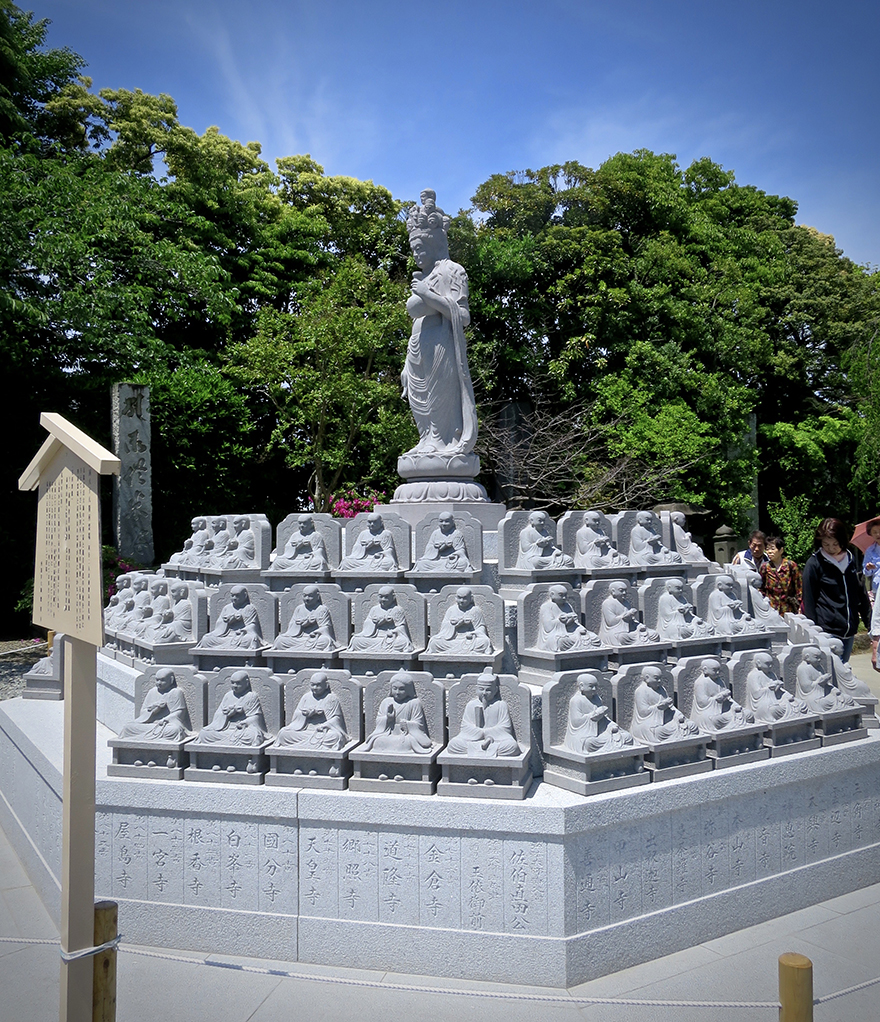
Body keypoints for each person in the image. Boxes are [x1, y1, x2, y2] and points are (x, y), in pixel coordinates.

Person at [401, 190, 477, 457]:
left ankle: (441, 440)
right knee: (419, 401)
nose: (416, 255)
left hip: (441, 347)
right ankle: (426, 439)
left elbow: (463, 316)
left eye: (421, 249)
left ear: (434, 244)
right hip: (418, 347)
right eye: (413, 250)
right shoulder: (424, 276)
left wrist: (428, 295)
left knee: (438, 398)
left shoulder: (452, 271)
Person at [802, 518, 871, 663]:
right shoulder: (814, 563)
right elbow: (809, 600)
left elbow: (860, 593)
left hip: (849, 630)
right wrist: (814, 631)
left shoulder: (851, 559)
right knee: (831, 671)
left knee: (844, 670)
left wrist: (869, 623)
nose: (831, 548)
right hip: (827, 631)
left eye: (835, 544)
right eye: (826, 544)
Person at [445, 670, 521, 757]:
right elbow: (465, 727)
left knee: (512, 747)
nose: (484, 693)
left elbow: (505, 727)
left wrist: (487, 734)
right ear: (476, 689)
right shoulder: (471, 705)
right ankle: (483, 748)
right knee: (453, 745)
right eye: (481, 689)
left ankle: (484, 747)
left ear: (495, 690)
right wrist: (481, 733)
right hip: (473, 740)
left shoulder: (501, 705)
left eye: (488, 690)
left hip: (496, 740)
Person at [563, 673, 635, 753]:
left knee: (627, 737)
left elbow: (603, 718)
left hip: (600, 730)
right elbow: (576, 722)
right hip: (583, 734)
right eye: (591, 686)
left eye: (596, 686)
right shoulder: (576, 701)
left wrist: (611, 725)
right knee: (589, 744)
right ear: (581, 686)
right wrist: (594, 715)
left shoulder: (597, 698)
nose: (594, 689)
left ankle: (611, 744)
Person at [361, 672, 433, 753]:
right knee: (378, 742)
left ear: (408, 690)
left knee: (405, 743)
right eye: (394, 688)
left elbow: (419, 723)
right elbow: (378, 721)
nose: (397, 692)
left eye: (401, 689)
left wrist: (407, 724)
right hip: (387, 733)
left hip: (406, 735)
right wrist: (388, 718)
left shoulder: (414, 703)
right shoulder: (386, 702)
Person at [275, 672, 349, 750]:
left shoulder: (331, 698)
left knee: (335, 737)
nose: (315, 687)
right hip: (305, 730)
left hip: (323, 731)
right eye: (312, 685)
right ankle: (313, 744)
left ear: (326, 685)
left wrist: (324, 724)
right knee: (283, 733)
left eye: (318, 685)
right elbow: (297, 715)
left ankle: (310, 744)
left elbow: (336, 719)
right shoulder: (306, 697)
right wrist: (305, 714)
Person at [195, 671, 271, 746]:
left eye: (238, 683)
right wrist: (227, 714)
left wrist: (244, 721)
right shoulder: (228, 696)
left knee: (252, 735)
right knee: (204, 733)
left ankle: (230, 741)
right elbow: (217, 715)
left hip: (242, 729)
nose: (235, 686)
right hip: (225, 728)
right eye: (232, 683)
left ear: (246, 683)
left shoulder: (251, 696)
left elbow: (256, 717)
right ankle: (229, 741)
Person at [629, 666, 700, 744]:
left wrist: (679, 715)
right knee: (659, 732)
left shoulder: (662, 689)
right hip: (648, 723)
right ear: (647, 678)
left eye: (660, 678)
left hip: (666, 719)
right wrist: (659, 707)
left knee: (691, 725)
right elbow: (643, 712)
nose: (659, 681)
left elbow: (670, 707)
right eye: (656, 678)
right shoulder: (641, 691)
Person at [118, 668, 192, 741]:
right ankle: (152, 736)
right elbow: (142, 713)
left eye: (162, 680)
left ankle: (151, 736)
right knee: (128, 727)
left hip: (166, 725)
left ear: (171, 680)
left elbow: (180, 712)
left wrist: (165, 719)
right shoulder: (152, 691)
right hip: (151, 724)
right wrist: (153, 710)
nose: (159, 683)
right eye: (157, 680)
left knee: (175, 730)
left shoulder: (176, 692)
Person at [689, 658, 753, 733]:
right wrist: (719, 697)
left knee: (748, 714)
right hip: (709, 712)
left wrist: (735, 705)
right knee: (716, 720)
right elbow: (702, 702)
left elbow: (728, 698)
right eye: (714, 670)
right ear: (705, 670)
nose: (718, 672)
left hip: (725, 708)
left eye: (718, 670)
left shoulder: (719, 681)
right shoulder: (701, 683)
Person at [426, 586, 494, 654]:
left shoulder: (475, 610)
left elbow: (481, 627)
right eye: (459, 598)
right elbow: (444, 627)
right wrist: (454, 625)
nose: (461, 601)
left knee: (485, 642)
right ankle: (465, 651)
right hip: (452, 639)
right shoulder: (451, 610)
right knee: (434, 642)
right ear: (455, 598)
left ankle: (458, 650)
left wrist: (472, 632)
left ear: (471, 598)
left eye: (465, 598)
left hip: (469, 639)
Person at [745, 651, 810, 723]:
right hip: (764, 702)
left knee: (801, 704)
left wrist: (782, 690)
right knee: (773, 710)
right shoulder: (754, 675)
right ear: (758, 663)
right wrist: (770, 688)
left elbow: (779, 690)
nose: (770, 666)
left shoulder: (772, 674)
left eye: (771, 664)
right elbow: (756, 693)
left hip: (777, 698)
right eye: (767, 664)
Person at [196, 585, 266, 650]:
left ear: (244, 596)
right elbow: (219, 625)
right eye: (232, 595)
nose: (234, 598)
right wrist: (228, 621)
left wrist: (243, 629)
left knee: (251, 639)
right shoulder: (227, 608)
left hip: (241, 635)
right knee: (206, 639)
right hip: (226, 635)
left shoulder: (249, 608)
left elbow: (253, 625)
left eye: (237, 596)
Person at [273, 586, 340, 651]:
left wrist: (315, 630)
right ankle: (306, 649)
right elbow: (291, 626)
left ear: (317, 596)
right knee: (279, 640)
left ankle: (307, 648)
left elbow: (326, 627)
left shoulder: (321, 609)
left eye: (310, 596)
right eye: (305, 596)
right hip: (299, 638)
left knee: (325, 641)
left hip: (314, 638)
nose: (307, 598)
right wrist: (300, 624)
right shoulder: (299, 608)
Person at [347, 586, 414, 653]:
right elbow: (367, 625)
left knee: (403, 642)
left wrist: (393, 631)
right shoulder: (374, 609)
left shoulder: (397, 610)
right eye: (381, 597)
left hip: (390, 638)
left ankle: (382, 647)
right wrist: (377, 622)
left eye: (386, 597)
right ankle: (381, 648)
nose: (383, 599)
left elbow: (402, 627)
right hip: (374, 637)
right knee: (355, 640)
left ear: (393, 597)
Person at [537, 584, 601, 651]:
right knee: (561, 642)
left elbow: (575, 622)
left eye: (565, 595)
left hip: (572, 632)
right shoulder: (546, 607)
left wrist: (573, 622)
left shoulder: (567, 605)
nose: (564, 598)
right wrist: (561, 620)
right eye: (561, 595)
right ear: (552, 595)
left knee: (594, 638)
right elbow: (548, 628)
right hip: (556, 634)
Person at [759, 535, 802, 615]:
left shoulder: (791, 566)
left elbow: (799, 587)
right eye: (767, 549)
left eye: (772, 549)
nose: (769, 552)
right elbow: (761, 588)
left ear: (781, 550)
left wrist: (800, 606)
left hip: (788, 609)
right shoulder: (765, 567)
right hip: (771, 609)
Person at [861, 518, 880, 605]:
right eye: (874, 532)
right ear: (871, 534)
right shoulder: (870, 550)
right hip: (877, 586)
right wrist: (868, 568)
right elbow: (866, 573)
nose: (878, 534)